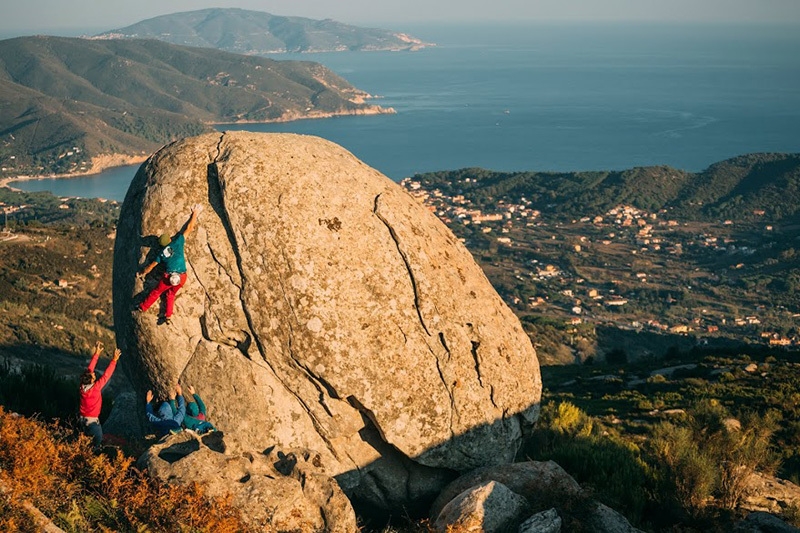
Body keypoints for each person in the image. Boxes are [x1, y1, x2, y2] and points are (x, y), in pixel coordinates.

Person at [135, 204, 203, 325]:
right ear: (170, 240)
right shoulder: (178, 243)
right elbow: (190, 228)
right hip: (181, 277)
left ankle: (143, 307)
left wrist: (141, 272)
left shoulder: (161, 254)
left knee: (157, 291)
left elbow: (150, 267)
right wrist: (195, 213)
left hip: (168, 277)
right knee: (171, 294)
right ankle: (168, 315)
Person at [78, 341, 121, 451]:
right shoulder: (95, 389)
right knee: (97, 444)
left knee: (84, 443)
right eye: (93, 375)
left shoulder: (82, 387)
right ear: (91, 380)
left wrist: (96, 353)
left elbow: (89, 370)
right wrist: (114, 360)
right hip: (92, 421)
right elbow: (106, 375)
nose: (94, 374)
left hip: (82, 419)